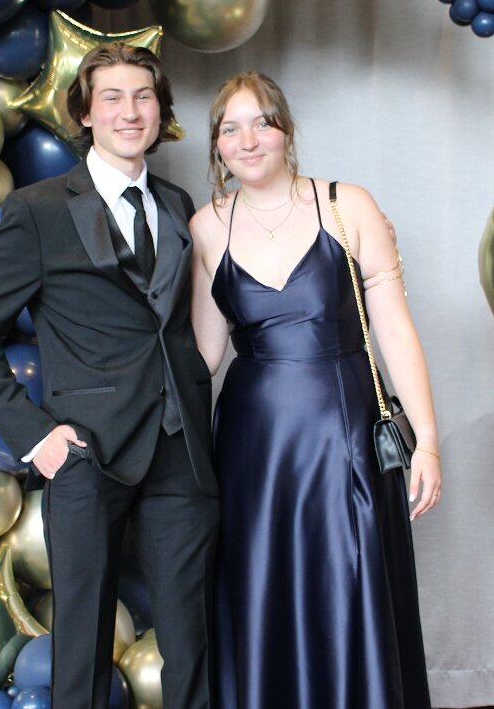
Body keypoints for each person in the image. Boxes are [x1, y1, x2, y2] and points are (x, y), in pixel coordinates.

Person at [0, 44, 219, 709]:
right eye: (112, 98)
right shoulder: (37, 209)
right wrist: (35, 436)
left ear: (160, 111)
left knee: (192, 638)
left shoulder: (177, 203)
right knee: (83, 642)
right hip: (84, 451)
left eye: (144, 96)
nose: (131, 111)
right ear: (86, 114)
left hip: (179, 447)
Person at [189, 71, 441, 709]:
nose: (248, 140)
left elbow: (394, 330)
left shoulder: (346, 204)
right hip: (253, 446)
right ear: (217, 145)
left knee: (350, 579)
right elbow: (203, 357)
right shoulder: (206, 226)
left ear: (287, 130)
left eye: (262, 123)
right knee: (262, 584)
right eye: (230, 129)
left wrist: (428, 441)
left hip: (344, 431)